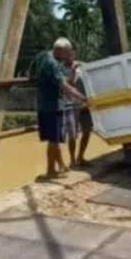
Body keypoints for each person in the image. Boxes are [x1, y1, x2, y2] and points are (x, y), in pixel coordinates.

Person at [34, 38, 86, 179]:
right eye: (67, 52)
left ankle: (61, 165)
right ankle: (51, 170)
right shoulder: (52, 63)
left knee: (54, 138)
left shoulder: (42, 56)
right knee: (53, 141)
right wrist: (81, 98)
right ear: (61, 50)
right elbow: (65, 86)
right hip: (52, 105)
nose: (68, 56)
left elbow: (30, 74)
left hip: (42, 103)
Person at [61, 49, 93, 167]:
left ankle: (80, 156)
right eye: (67, 56)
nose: (70, 58)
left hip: (84, 103)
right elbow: (69, 84)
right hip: (70, 105)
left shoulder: (82, 65)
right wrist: (73, 71)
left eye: (71, 55)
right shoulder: (61, 69)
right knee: (72, 134)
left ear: (74, 55)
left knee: (87, 130)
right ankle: (72, 159)